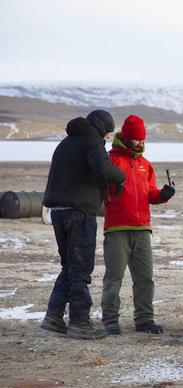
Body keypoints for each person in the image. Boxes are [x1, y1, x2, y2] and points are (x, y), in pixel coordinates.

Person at [40, 110, 126, 340]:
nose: (108, 137)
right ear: (102, 128)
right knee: (80, 269)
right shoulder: (91, 143)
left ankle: (54, 316)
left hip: (57, 212)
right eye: (108, 133)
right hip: (79, 213)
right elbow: (103, 169)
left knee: (68, 266)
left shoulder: (66, 143)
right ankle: (79, 322)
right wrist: (121, 176)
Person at [101, 115, 175, 335]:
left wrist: (163, 195)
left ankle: (144, 320)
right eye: (136, 139)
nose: (140, 143)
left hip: (142, 228)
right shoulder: (109, 161)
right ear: (125, 137)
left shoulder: (145, 165)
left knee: (145, 278)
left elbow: (150, 194)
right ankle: (110, 321)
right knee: (114, 278)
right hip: (117, 229)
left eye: (142, 139)